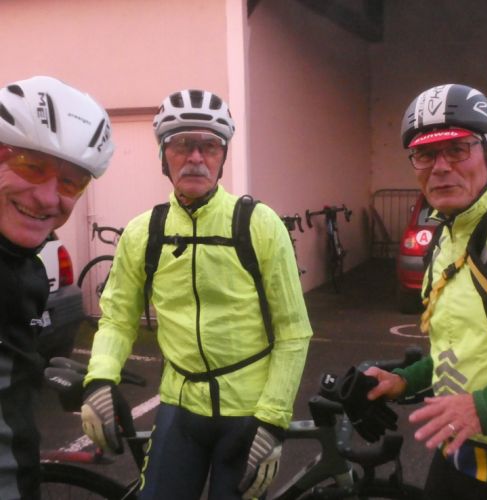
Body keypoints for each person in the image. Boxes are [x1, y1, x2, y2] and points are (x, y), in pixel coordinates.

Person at [81, 88, 313, 499]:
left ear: (222, 157)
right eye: (181, 144)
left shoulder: (259, 224)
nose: (195, 157)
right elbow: (117, 317)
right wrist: (100, 377)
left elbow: (293, 331)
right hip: (179, 406)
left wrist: (273, 420)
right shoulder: (144, 232)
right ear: (163, 156)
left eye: (209, 146)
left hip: (248, 412)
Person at [366, 83, 487, 500]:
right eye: (425, 154)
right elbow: (463, 350)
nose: (440, 167)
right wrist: (403, 382)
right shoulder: (446, 237)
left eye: (457, 149)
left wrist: (486, 408)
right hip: (459, 457)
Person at [0, 75, 114, 499]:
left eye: (71, 182)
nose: (49, 198)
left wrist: (73, 379)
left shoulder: (23, 265)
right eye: (31, 166)